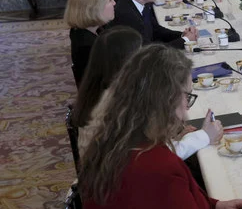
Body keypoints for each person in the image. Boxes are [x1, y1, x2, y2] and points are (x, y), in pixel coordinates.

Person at [79, 44, 242, 209]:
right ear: (166, 100)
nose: (186, 110)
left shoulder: (116, 138)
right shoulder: (157, 167)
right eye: (187, 96)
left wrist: (213, 206)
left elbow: (162, 208)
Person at [75, 27, 223, 162]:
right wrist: (203, 136)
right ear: (129, 61)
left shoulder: (102, 90)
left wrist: (172, 135)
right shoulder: (116, 103)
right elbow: (154, 160)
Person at [73, 26, 143, 153]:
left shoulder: (95, 90)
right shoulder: (118, 102)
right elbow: (142, 151)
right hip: (111, 169)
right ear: (126, 61)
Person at [64, 0, 116, 88]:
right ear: (95, 8)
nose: (114, 3)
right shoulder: (89, 46)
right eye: (110, 0)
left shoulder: (82, 31)